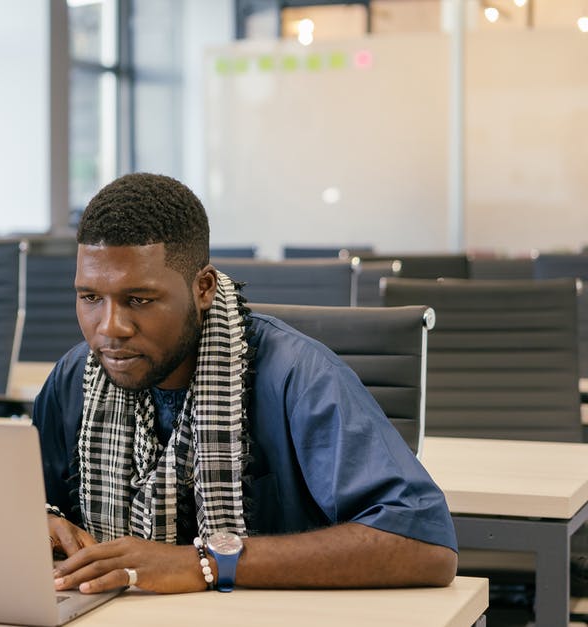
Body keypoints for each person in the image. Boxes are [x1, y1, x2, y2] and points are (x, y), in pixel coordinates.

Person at [36, 173, 458, 594]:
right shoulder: (76, 379)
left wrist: (206, 562)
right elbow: (23, 506)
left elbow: (425, 544)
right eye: (91, 297)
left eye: (140, 300)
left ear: (203, 288)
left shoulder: (299, 376)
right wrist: (40, 523)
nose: (110, 328)